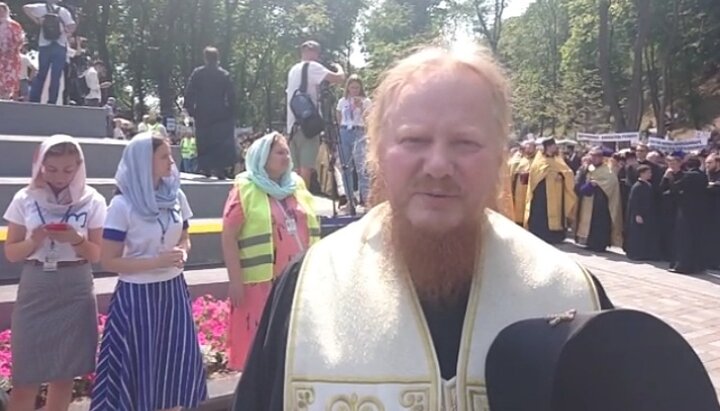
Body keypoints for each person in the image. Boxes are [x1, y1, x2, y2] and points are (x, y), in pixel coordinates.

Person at [232, 46, 613, 411]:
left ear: (500, 156)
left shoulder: (571, 295)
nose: (437, 166)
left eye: (465, 142)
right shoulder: (306, 290)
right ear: (377, 152)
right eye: (414, 140)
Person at [90, 133, 208, 410]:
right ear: (144, 161)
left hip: (173, 291)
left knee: (173, 363)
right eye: (164, 156)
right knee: (141, 366)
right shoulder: (122, 205)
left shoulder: (176, 194)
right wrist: (155, 262)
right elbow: (109, 260)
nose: (172, 161)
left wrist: (183, 253)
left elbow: (185, 236)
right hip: (137, 296)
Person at [3, 135, 107, 411]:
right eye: (52, 169)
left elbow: (99, 254)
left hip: (76, 285)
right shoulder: (25, 197)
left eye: (68, 170)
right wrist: (33, 240)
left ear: (79, 166)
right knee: (26, 376)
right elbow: (12, 253)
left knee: (64, 374)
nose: (60, 176)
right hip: (37, 284)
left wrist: (76, 240)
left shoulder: (93, 199)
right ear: (40, 165)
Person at [221, 132, 320, 371]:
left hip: (298, 279)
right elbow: (228, 235)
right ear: (263, 157)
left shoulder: (296, 185)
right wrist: (235, 280)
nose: (286, 156)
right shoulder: (245, 188)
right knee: (260, 350)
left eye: (287, 152)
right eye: (279, 152)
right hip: (261, 283)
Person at [286, 40, 346, 187]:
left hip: (292, 124)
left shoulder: (293, 69)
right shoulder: (313, 66)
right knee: (306, 166)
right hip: (308, 124)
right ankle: (302, 201)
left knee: (294, 168)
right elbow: (339, 78)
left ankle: (292, 200)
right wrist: (339, 67)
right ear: (316, 53)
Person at [183, 46, 237, 180]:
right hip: (220, 113)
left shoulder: (198, 73)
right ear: (217, 58)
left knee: (204, 140)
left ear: (205, 58)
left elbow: (190, 92)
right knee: (219, 141)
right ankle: (220, 168)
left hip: (202, 113)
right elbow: (231, 95)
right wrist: (231, 111)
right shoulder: (224, 74)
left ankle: (205, 167)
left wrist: (190, 110)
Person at [525, 137, 577, 244]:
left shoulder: (558, 159)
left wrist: (561, 175)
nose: (555, 147)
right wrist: (547, 173)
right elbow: (535, 175)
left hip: (557, 192)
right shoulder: (539, 160)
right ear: (547, 147)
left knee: (557, 212)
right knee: (542, 212)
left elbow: (568, 172)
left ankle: (555, 236)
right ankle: (540, 234)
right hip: (542, 193)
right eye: (553, 146)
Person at [663, 155, 709, 275]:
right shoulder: (703, 175)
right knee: (696, 238)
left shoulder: (689, 176)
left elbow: (675, 188)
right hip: (699, 211)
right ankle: (697, 265)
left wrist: (669, 177)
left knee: (684, 239)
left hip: (686, 211)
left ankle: (683, 265)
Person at [24, 0, 75, 104]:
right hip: (60, 45)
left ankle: (34, 99)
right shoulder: (63, 11)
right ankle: (52, 101)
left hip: (44, 44)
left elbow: (26, 8)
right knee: (56, 75)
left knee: (41, 73)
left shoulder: (41, 8)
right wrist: (66, 32)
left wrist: (37, 21)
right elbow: (72, 25)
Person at [574, 146, 623, 252]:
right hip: (588, 201)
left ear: (601, 158)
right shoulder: (588, 168)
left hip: (601, 202)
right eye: (592, 156)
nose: (594, 158)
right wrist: (587, 184)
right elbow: (580, 181)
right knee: (590, 224)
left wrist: (598, 185)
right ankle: (589, 242)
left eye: (597, 156)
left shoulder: (607, 170)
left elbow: (611, 182)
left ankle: (600, 245)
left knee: (600, 224)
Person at [335, 75, 372, 208]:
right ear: (348, 88)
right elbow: (339, 118)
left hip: (359, 131)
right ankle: (351, 200)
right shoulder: (342, 101)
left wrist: (361, 107)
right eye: (352, 87)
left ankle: (366, 200)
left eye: (357, 87)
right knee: (346, 167)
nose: (354, 90)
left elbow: (369, 118)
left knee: (361, 167)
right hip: (345, 131)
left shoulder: (366, 101)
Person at [624, 165, 661, 260]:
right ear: (642, 173)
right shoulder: (637, 186)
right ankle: (636, 254)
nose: (650, 174)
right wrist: (637, 214)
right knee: (637, 234)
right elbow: (634, 201)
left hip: (647, 213)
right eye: (648, 172)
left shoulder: (648, 184)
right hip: (640, 214)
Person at [0, 2, 25, 100]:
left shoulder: (14, 25)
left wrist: (10, 48)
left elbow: (19, 40)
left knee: (8, 81)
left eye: (2, 12)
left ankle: (5, 100)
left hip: (10, 58)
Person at [509, 139, 535, 225]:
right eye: (526, 147)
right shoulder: (521, 159)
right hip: (518, 189)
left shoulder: (536, 160)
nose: (528, 149)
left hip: (530, 189)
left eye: (530, 147)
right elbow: (513, 173)